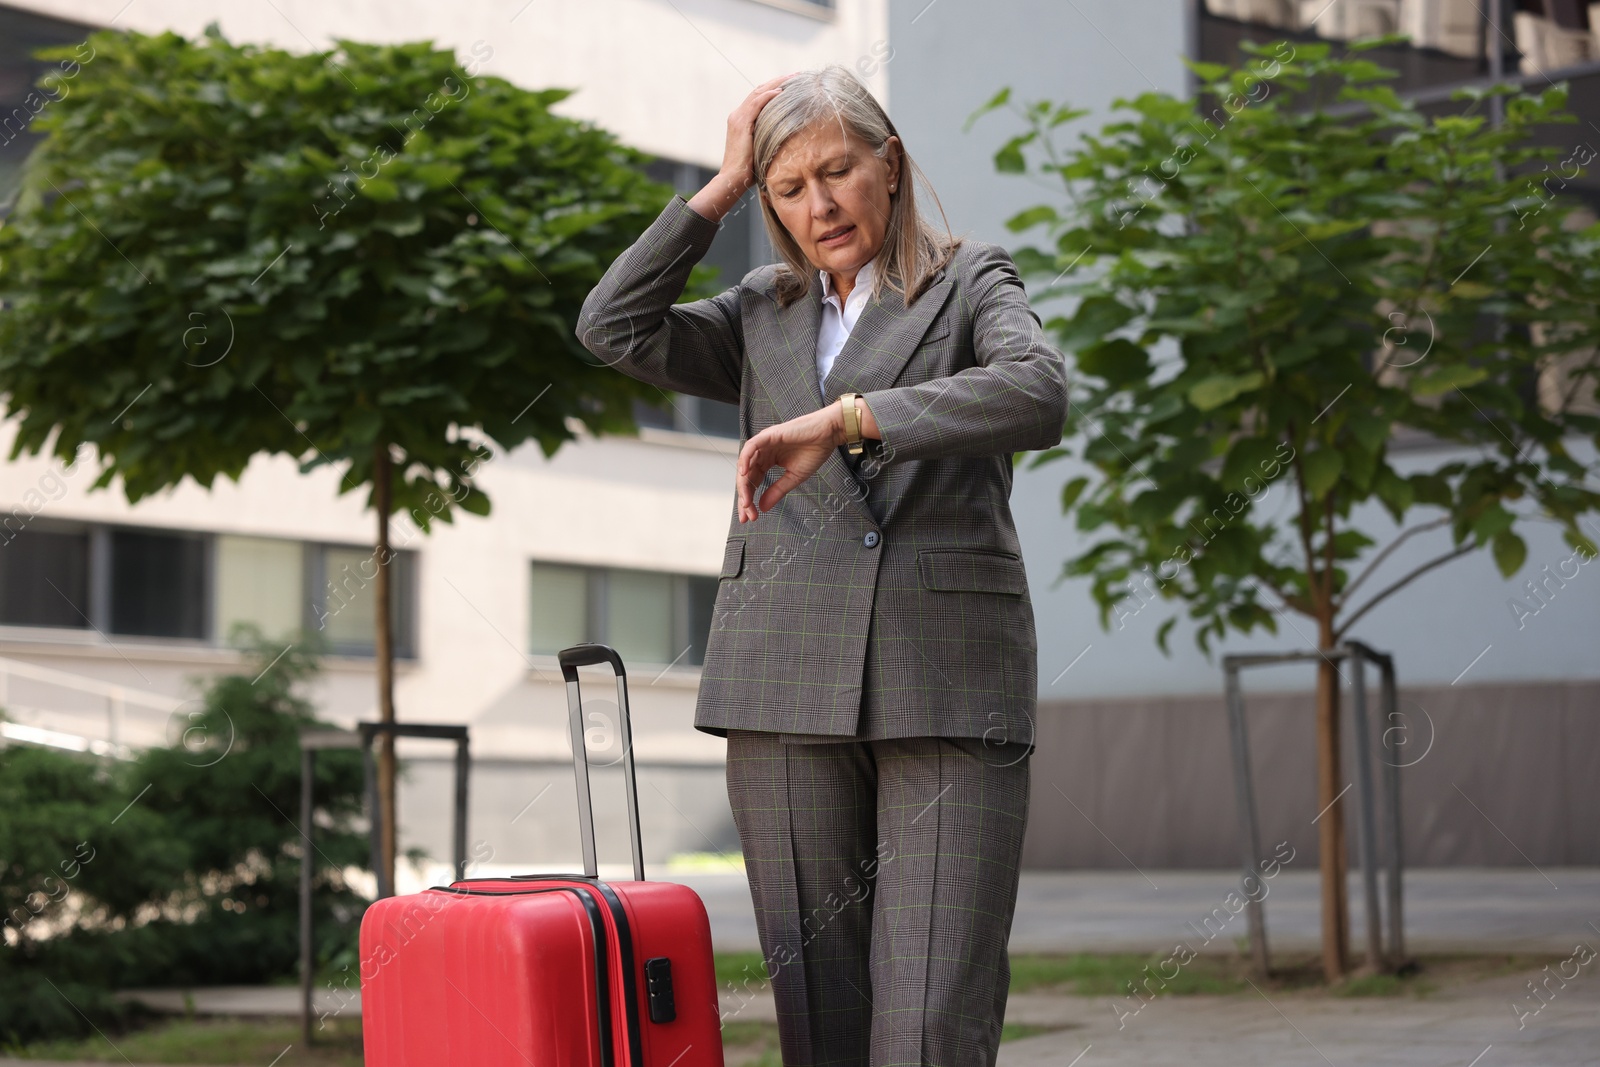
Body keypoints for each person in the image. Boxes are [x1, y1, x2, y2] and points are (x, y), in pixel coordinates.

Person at [577, 64, 1068, 1067]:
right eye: (787, 188)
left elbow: (1035, 393)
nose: (819, 204)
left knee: (930, 1018)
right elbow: (611, 328)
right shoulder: (764, 308)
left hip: (944, 676)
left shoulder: (970, 280)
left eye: (838, 171)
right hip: (781, 678)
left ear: (888, 164)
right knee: (819, 1017)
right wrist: (717, 189)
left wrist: (849, 418)